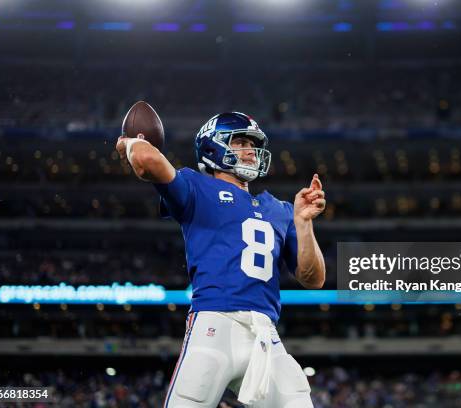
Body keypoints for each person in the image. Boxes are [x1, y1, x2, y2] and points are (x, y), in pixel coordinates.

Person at [116, 112, 326, 408]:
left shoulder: (280, 209)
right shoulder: (197, 187)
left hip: (266, 334)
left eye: (253, 144)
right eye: (240, 142)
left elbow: (313, 278)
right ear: (213, 147)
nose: (250, 151)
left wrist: (303, 223)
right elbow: (146, 160)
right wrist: (129, 143)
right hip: (215, 323)